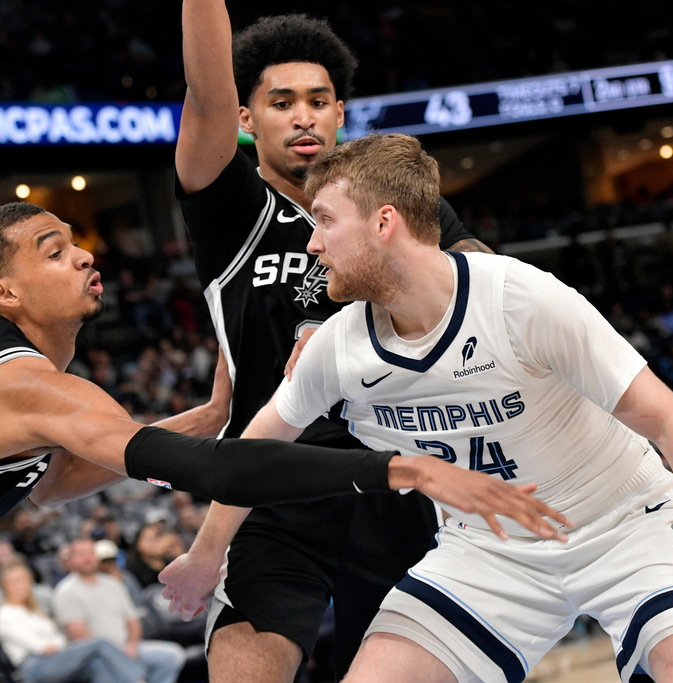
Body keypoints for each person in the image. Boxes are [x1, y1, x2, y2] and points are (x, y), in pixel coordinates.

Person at [162, 133, 673, 683]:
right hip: (487, 553)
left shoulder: (522, 299)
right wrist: (205, 554)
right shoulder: (338, 347)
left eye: (326, 221)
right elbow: (252, 454)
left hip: (622, 526)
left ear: (384, 223)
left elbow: (667, 415)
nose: (312, 245)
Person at [0, 201, 548, 683]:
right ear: (6, 293)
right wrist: (394, 467)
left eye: (73, 239)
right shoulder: (27, 386)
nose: (86, 254)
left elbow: (49, 481)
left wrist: (210, 412)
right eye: (53, 252)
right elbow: (208, 471)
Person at [172, 3, 492, 679]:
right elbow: (204, 93)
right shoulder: (232, 211)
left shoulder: (396, 207)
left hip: (401, 480)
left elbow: (489, 290)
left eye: (319, 100)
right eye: (280, 101)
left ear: (341, 114)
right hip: (275, 490)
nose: (303, 115)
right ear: (245, 118)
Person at [54, 540, 185, 683]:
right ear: (71, 559)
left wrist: (132, 644)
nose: (88, 558)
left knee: (173, 655)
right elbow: (79, 634)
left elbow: (132, 620)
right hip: (97, 656)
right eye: (81, 554)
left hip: (127, 646)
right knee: (105, 667)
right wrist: (115, 654)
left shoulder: (113, 584)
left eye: (91, 553)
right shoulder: (65, 591)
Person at [0, 560, 146, 683]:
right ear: (5, 586)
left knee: (97, 665)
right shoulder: (5, 614)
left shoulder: (34, 611)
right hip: (35, 666)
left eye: (23, 580)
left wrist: (57, 644)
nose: (20, 586)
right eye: (14, 581)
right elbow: (41, 647)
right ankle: (138, 680)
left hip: (56, 657)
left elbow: (58, 638)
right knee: (100, 643)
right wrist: (56, 644)